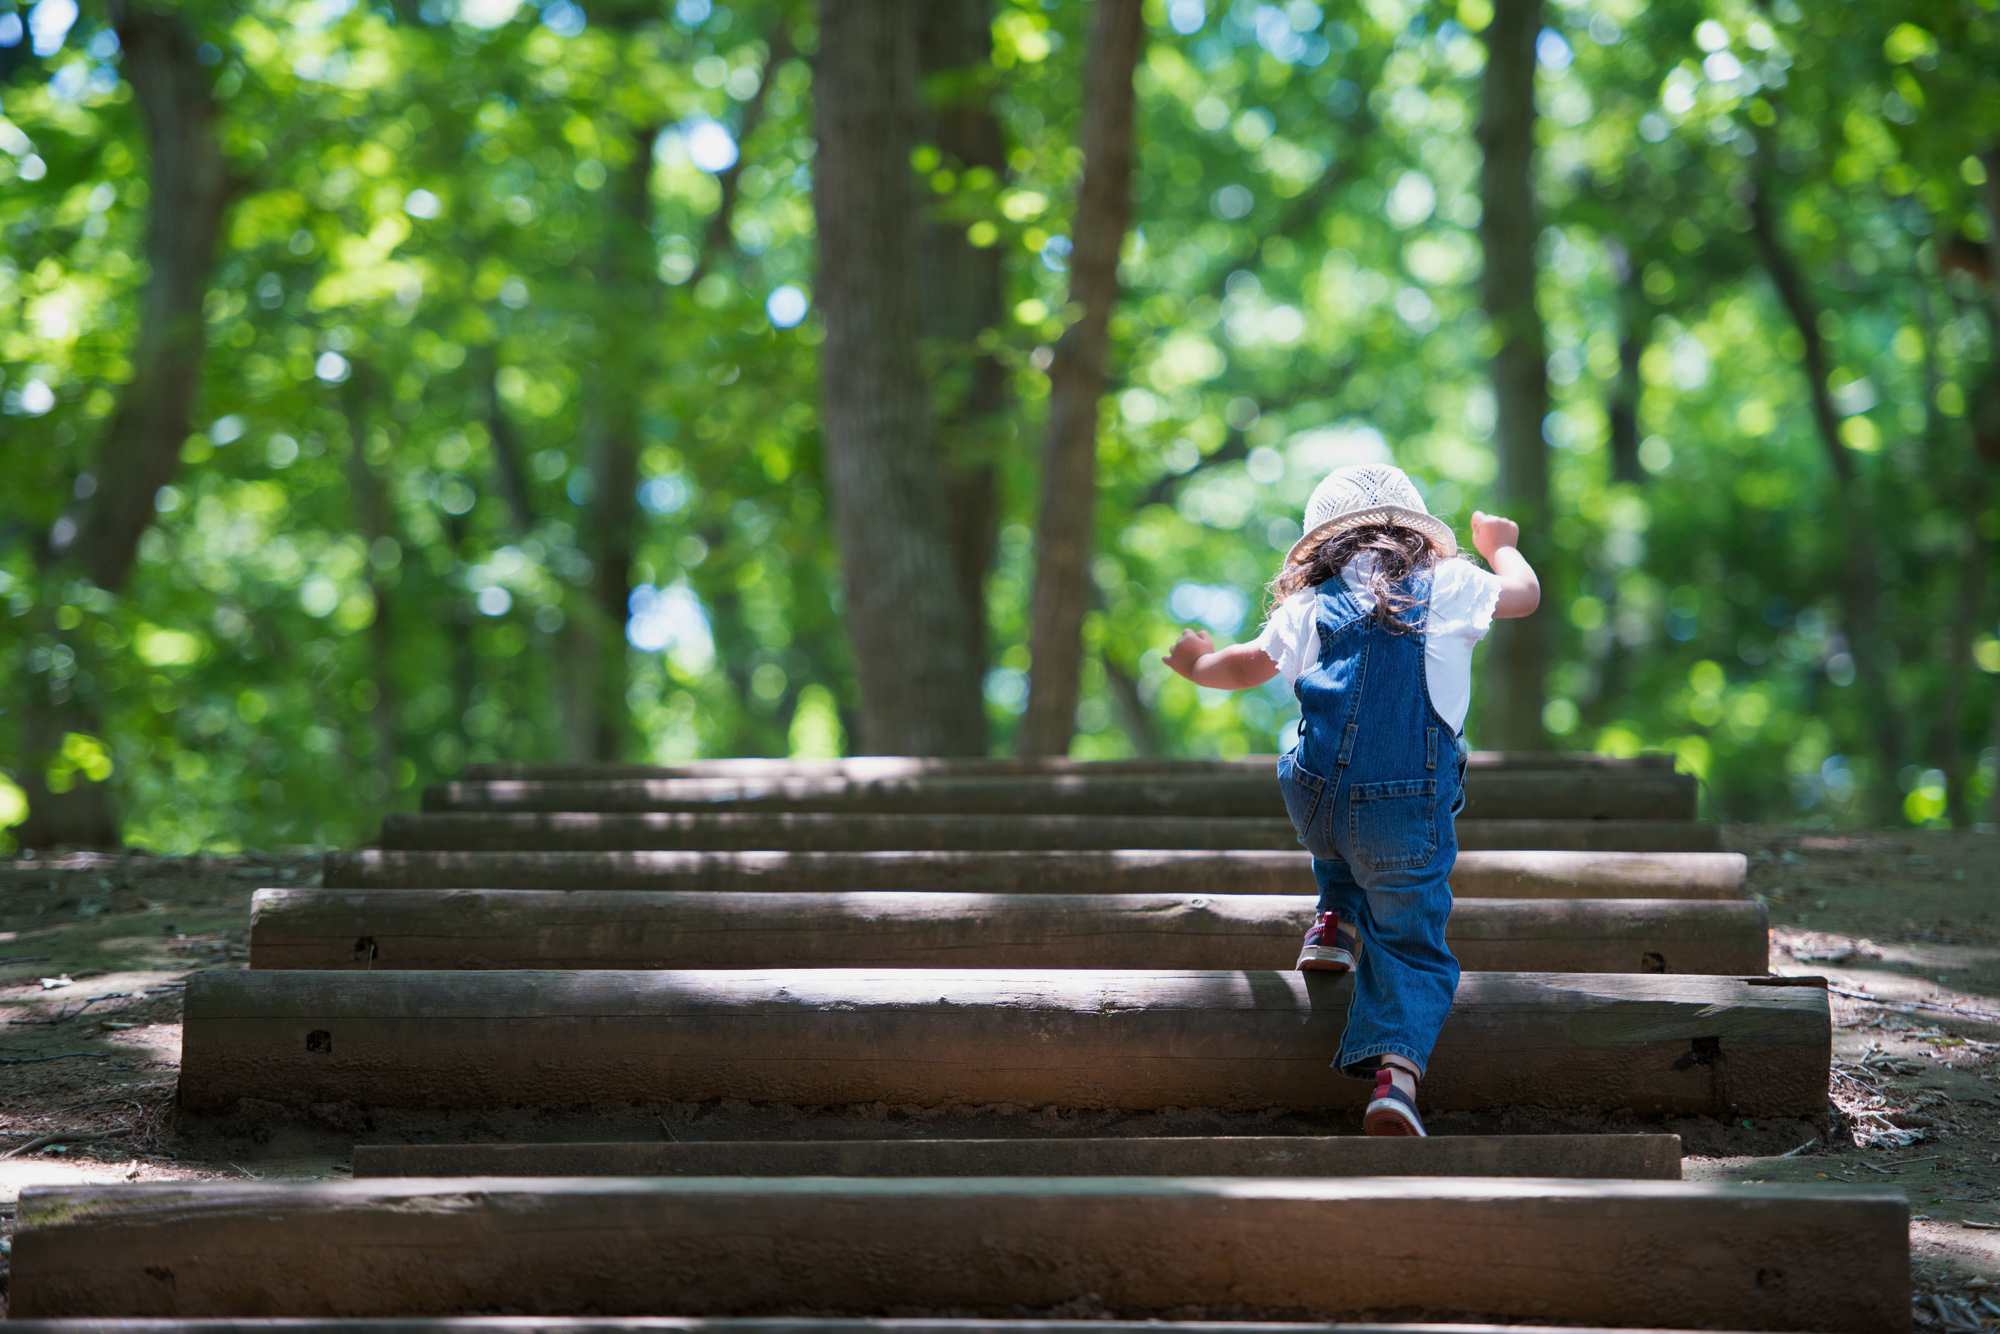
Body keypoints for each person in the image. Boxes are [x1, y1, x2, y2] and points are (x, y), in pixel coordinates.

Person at [1162, 464, 1541, 1136]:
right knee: (1410, 940)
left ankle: (1332, 923)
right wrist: (1499, 544)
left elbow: (1246, 664)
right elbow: (1523, 595)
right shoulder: (1450, 586)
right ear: (1419, 541)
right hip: (1405, 811)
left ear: (1323, 548)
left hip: (1315, 802)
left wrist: (1195, 665)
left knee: (1341, 830)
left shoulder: (1308, 605)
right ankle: (1394, 1077)